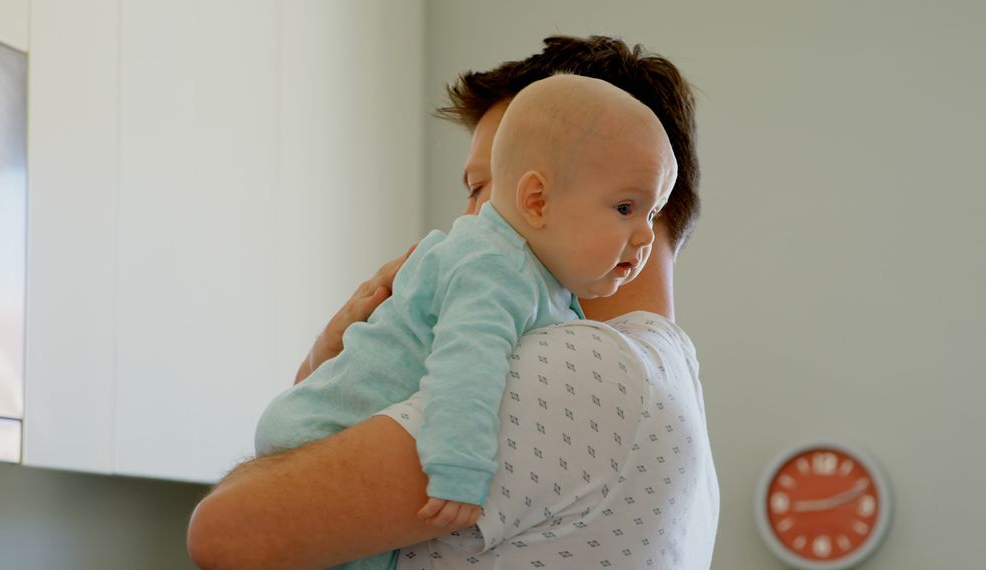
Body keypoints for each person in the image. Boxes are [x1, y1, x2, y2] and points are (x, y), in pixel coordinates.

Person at [187, 35, 718, 570]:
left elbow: (227, 533)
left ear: (540, 196)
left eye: (485, 186)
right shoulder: (669, 382)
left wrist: (320, 383)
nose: (470, 222)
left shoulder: (578, 366)